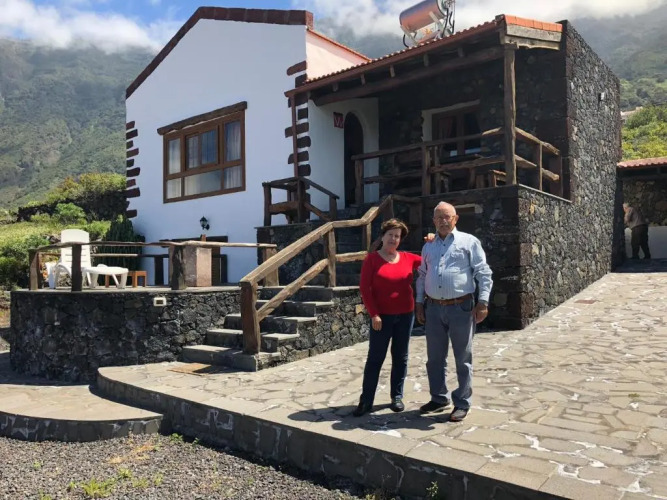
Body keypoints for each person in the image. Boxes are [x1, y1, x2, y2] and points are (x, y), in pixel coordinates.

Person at [415, 202, 493, 422]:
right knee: (434, 358)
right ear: (433, 221)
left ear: (455, 219)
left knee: (463, 358)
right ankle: (439, 397)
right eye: (439, 217)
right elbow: (422, 275)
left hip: (461, 307)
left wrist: (483, 302)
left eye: (447, 216)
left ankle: (462, 402)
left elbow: (483, 272)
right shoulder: (428, 246)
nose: (443, 221)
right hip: (433, 308)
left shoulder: (469, 241)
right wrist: (419, 303)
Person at [353, 218, 423, 417]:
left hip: (405, 315)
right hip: (381, 318)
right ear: (382, 236)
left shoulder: (409, 258)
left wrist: (432, 241)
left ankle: (397, 397)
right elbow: (365, 289)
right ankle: (366, 401)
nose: (393, 239)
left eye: (397, 236)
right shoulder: (372, 259)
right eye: (390, 235)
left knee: (401, 357)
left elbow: (431, 259)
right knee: (375, 358)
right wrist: (374, 314)